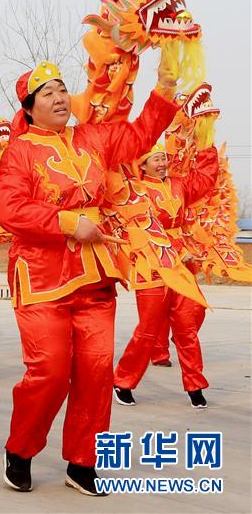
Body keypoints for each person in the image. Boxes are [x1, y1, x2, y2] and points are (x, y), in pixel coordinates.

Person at [0, 58, 179, 496]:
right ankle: (20, 450)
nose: (59, 98)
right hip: (42, 279)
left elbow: (137, 137)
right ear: (29, 108)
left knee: (97, 372)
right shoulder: (19, 151)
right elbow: (10, 209)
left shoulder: (93, 137)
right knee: (50, 373)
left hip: (95, 276)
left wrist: (164, 90)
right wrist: (65, 222)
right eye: (47, 93)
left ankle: (83, 462)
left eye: (62, 88)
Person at [113, 143, 218, 408]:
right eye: (155, 159)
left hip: (180, 265)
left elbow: (205, 180)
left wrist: (206, 141)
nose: (161, 163)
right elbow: (139, 228)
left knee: (188, 325)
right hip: (151, 265)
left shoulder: (178, 185)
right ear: (143, 165)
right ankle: (123, 381)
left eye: (163, 158)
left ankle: (195, 385)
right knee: (148, 330)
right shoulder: (136, 192)